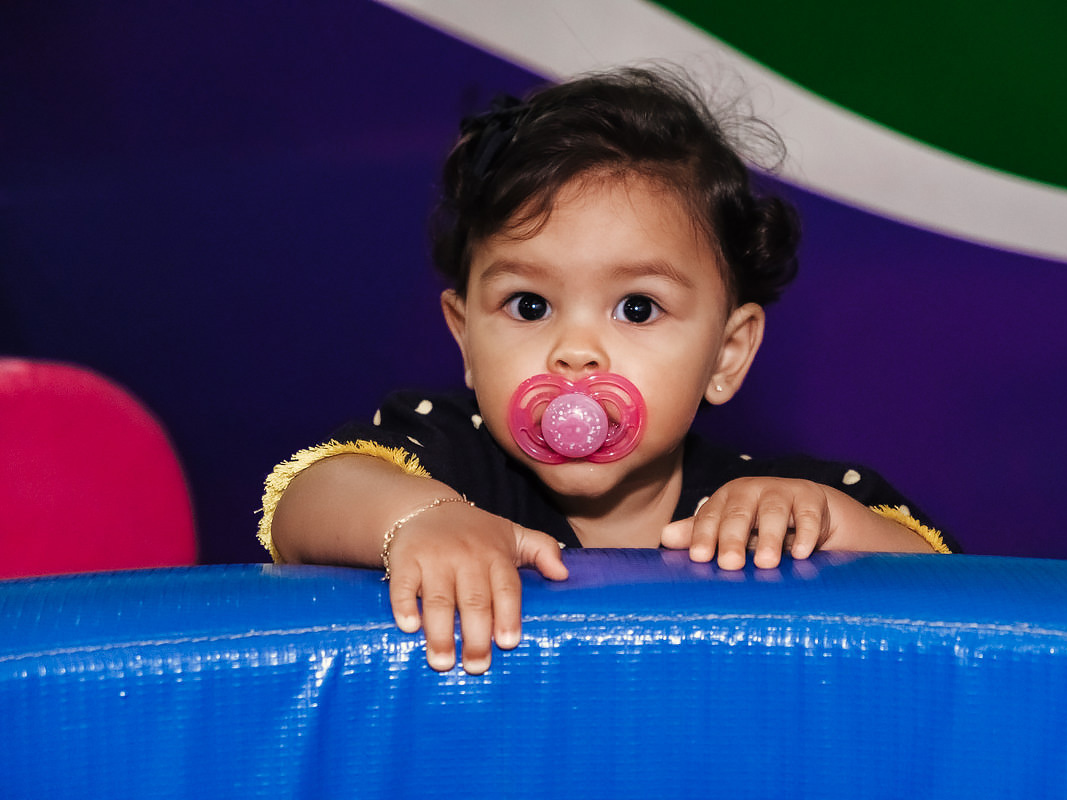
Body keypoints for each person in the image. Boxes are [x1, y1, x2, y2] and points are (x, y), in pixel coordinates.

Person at [258, 66, 956, 675]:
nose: (576, 351)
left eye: (638, 307)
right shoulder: (448, 460)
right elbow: (303, 503)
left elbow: (952, 604)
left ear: (727, 353)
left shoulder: (765, 510)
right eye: (529, 305)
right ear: (466, 339)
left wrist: (825, 523)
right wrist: (419, 519)